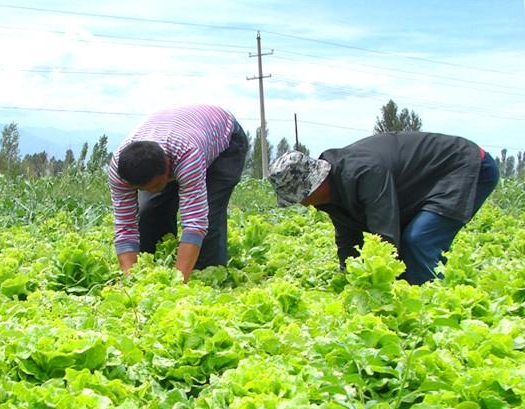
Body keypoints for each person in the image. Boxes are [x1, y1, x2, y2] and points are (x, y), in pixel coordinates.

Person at [267, 131, 500, 284]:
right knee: (413, 249)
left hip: (465, 166)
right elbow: (348, 235)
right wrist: (349, 274)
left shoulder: (364, 172)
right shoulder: (331, 190)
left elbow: (385, 234)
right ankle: (429, 287)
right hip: (426, 182)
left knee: (418, 241)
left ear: (315, 185)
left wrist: (382, 284)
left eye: (301, 197)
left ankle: (431, 309)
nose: (302, 203)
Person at [107, 104, 248, 282]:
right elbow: (125, 227)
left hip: (224, 139)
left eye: (156, 184)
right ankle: (158, 264)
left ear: (168, 165)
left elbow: (195, 223)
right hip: (176, 132)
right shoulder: (119, 172)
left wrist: (178, 282)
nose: (149, 190)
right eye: (143, 189)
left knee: (210, 215)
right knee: (150, 209)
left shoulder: (187, 156)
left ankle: (208, 276)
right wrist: (131, 279)